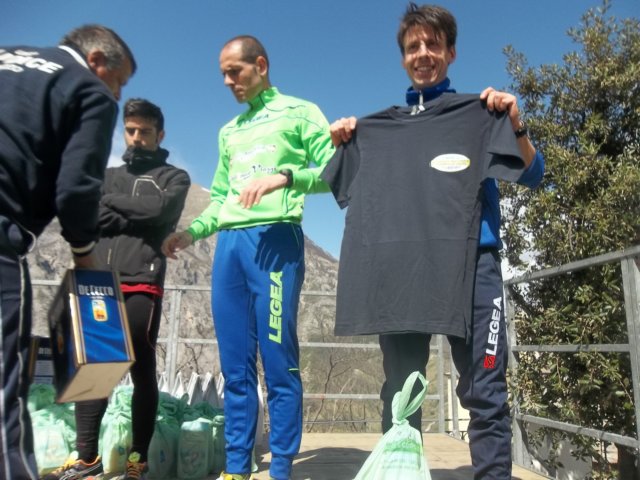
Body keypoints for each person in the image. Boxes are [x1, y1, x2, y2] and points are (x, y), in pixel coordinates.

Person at [324, 4, 544, 480]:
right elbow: (334, 185)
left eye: (432, 44)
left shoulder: (482, 114)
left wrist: (514, 121)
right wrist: (341, 141)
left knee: (485, 389)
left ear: (450, 52)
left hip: (474, 266)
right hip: (404, 269)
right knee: (401, 393)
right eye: (413, 46)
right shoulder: (371, 132)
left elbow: (534, 174)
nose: (423, 53)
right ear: (404, 57)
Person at [162, 35, 334, 480]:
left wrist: (285, 177)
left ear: (260, 64)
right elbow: (221, 198)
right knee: (235, 366)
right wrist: (191, 232)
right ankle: (237, 466)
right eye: (222, 74)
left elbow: (334, 171)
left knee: (278, 361)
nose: (227, 81)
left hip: (276, 240)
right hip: (230, 249)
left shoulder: (300, 112)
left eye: (234, 71)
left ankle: (281, 467)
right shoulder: (229, 132)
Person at [0, 25, 135, 480]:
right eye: (119, 82)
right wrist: (84, 254)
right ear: (97, 61)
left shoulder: (6, 55)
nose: (117, 95)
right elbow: (77, 187)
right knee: (4, 402)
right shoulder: (86, 88)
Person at [44, 99, 190, 479]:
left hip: (142, 281)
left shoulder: (174, 178)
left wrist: (111, 204)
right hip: (99, 284)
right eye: (131, 130)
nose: (137, 137)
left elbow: (159, 211)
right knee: (96, 370)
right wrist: (130, 209)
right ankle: (87, 460)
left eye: (145, 131)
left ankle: (137, 460)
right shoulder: (106, 175)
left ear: (160, 134)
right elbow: (88, 214)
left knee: (141, 370)